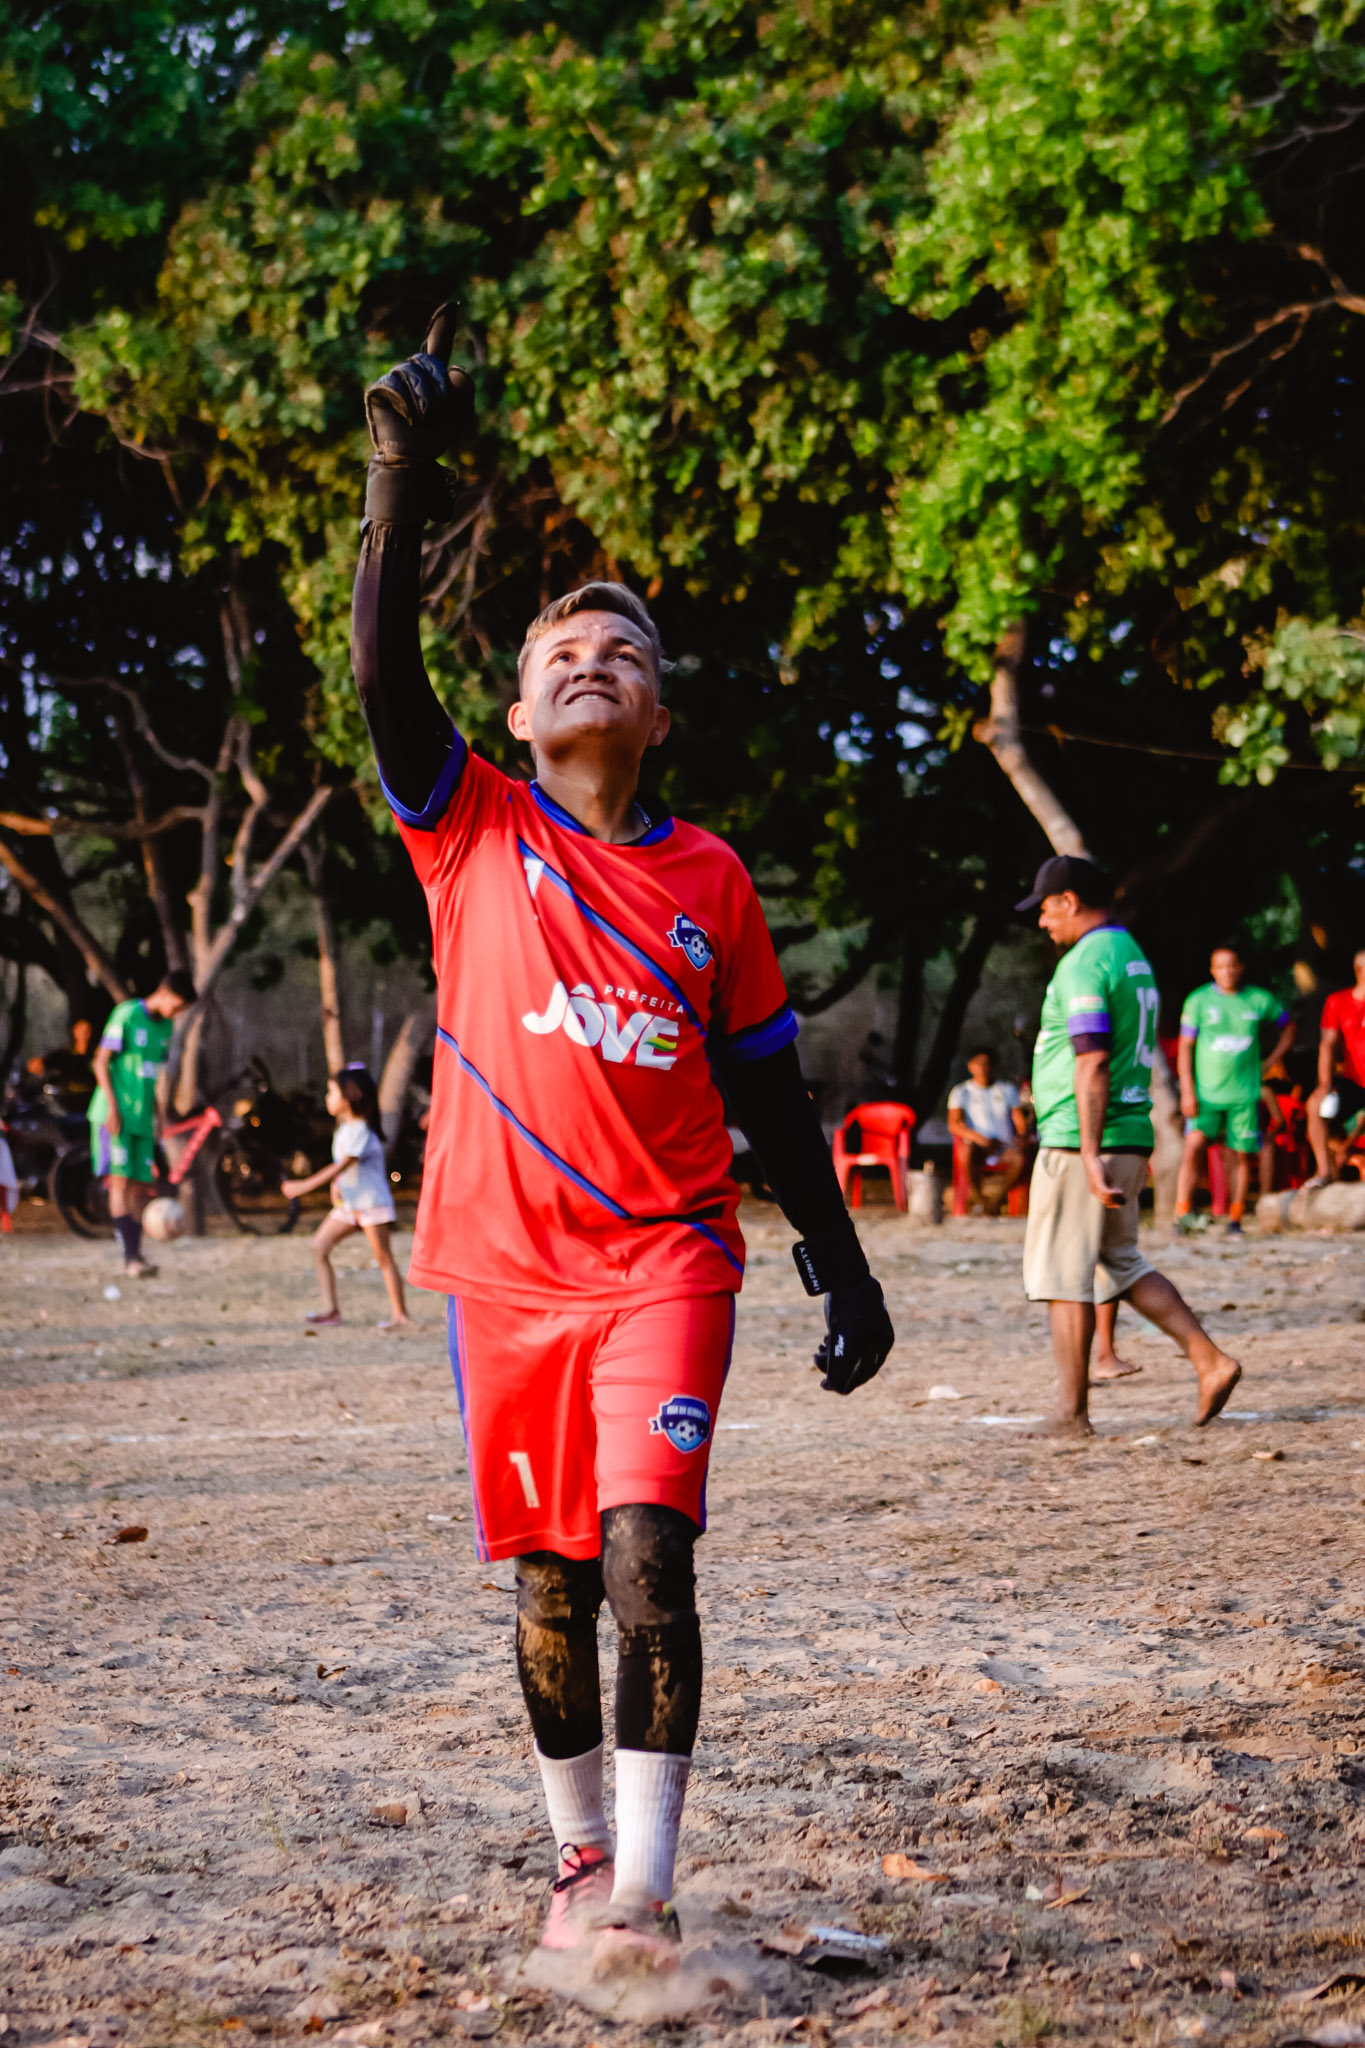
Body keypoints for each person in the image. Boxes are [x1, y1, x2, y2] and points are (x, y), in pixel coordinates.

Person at [351, 309, 894, 1964]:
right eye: (560, 654)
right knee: (550, 1583)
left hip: (667, 1262)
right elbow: (379, 671)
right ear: (517, 717)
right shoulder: (468, 827)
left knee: (651, 1555)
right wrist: (396, 483)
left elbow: (772, 1097)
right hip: (505, 1280)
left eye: (625, 653)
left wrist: (843, 1264)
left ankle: (645, 1891)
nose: (591, 659)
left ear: (658, 719)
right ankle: (578, 1855)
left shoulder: (711, 880)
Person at [1018, 854, 1241, 1436]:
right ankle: (1210, 1361)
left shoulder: (1084, 963)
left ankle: (1071, 1414)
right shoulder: (1130, 954)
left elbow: (1091, 1060)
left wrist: (1089, 1153)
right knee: (1120, 1262)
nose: (1042, 921)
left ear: (1069, 901)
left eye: (1046, 909)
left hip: (1081, 1141)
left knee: (1065, 1275)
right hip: (1131, 1132)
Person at [281, 1064, 416, 1331]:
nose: (327, 1098)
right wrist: (336, 1185)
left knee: (383, 1258)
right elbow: (343, 1170)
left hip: (371, 1205)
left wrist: (303, 1186)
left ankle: (400, 1315)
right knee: (319, 1247)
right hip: (349, 1205)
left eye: (332, 1092)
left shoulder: (362, 1131)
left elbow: (341, 1165)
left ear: (351, 1095)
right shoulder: (344, 1129)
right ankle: (331, 1310)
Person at [1174, 946, 1294, 1235]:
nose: (1227, 971)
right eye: (1220, 966)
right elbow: (1184, 1048)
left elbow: (1290, 1028)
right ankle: (1182, 1213)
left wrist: (1270, 1062)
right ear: (1212, 970)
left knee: (1240, 1155)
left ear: (1241, 967)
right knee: (1193, 1147)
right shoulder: (1198, 1001)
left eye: (1232, 965)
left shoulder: (1259, 1000)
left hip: (1244, 1095)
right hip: (1206, 1095)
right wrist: (1187, 1090)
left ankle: (1235, 1218)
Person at [89, 971, 195, 1276]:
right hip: (115, 1115)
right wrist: (112, 1108)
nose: (177, 1012)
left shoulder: (165, 1028)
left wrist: (160, 1116)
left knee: (138, 1187)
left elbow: (157, 1077)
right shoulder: (127, 1015)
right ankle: (131, 1258)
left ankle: (136, 1255)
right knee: (120, 1183)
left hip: (143, 1118)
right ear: (164, 992)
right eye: (177, 1005)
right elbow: (100, 1061)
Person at [1306, 949, 1365, 1185]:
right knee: (1315, 1105)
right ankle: (1325, 1172)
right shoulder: (1338, 1001)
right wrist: (1325, 1083)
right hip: (1354, 1082)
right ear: (1358, 971)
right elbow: (1327, 1045)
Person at [946, 1046, 1029, 1214]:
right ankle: (978, 1197)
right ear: (970, 1066)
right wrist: (978, 1138)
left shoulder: (1006, 1089)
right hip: (977, 1145)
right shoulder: (961, 1092)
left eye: (987, 1064)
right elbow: (953, 1124)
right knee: (965, 1151)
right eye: (979, 1063)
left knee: (1021, 1158)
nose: (983, 1068)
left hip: (1003, 1145)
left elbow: (1018, 1119)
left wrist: (1021, 1136)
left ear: (994, 1065)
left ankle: (995, 1200)